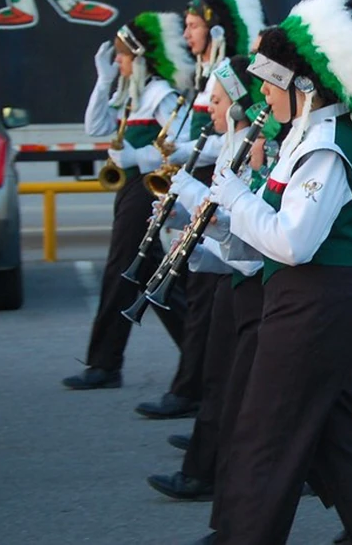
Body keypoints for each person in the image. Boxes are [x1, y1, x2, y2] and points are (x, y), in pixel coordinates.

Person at [201, 0, 352, 544]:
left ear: (302, 84)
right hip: (308, 301)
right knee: (336, 439)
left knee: (265, 437)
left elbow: (294, 241)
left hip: (315, 305)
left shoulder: (326, 145)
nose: (261, 90)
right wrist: (218, 211)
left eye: (270, 79)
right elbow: (272, 231)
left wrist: (235, 197)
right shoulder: (302, 135)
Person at [135, 0, 266, 420]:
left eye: (193, 26)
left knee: (215, 316)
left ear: (214, 28)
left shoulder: (230, 74)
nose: (187, 33)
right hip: (214, 193)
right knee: (204, 305)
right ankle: (200, 408)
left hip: (224, 192)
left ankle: (196, 403)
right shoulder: (204, 71)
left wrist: (178, 166)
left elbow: (225, 136)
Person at [145, 55, 265, 502]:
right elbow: (229, 237)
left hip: (255, 287)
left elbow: (252, 241)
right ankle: (209, 462)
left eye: (216, 100)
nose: (208, 109)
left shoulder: (255, 150)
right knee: (226, 384)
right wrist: (184, 222)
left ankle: (209, 469)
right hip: (232, 278)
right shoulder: (233, 144)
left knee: (239, 387)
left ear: (237, 105)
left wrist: (197, 206)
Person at [63, 12, 193, 390]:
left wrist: (139, 159)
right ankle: (200, 351)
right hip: (131, 190)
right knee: (152, 275)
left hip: (147, 189)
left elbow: (180, 145)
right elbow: (95, 127)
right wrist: (103, 81)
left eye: (121, 56)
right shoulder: (133, 95)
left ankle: (104, 364)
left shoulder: (161, 95)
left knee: (122, 269)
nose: (117, 62)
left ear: (138, 57)